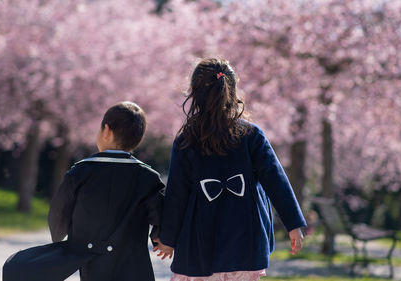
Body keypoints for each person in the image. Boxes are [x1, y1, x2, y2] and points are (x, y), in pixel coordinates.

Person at [154, 58, 307, 281]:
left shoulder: (186, 140)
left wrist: (167, 239)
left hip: (200, 242)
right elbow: (276, 180)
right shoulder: (251, 135)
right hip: (246, 239)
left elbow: (177, 193)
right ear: (232, 91)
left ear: (194, 93)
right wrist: (293, 224)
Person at [48, 101, 165, 281]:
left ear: (107, 131)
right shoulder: (148, 177)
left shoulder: (80, 172)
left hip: (92, 265)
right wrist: (160, 237)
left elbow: (58, 215)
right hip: (134, 267)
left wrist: (60, 235)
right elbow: (161, 215)